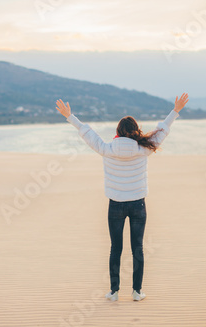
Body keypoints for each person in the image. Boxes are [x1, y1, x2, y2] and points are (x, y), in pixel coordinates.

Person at [55, 93, 189, 302]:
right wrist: (175, 111)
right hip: (138, 205)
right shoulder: (144, 149)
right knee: (137, 248)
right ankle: (136, 292)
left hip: (116, 205)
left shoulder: (107, 149)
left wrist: (70, 116)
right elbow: (162, 131)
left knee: (115, 248)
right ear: (136, 131)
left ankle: (114, 292)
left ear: (118, 132)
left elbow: (87, 133)